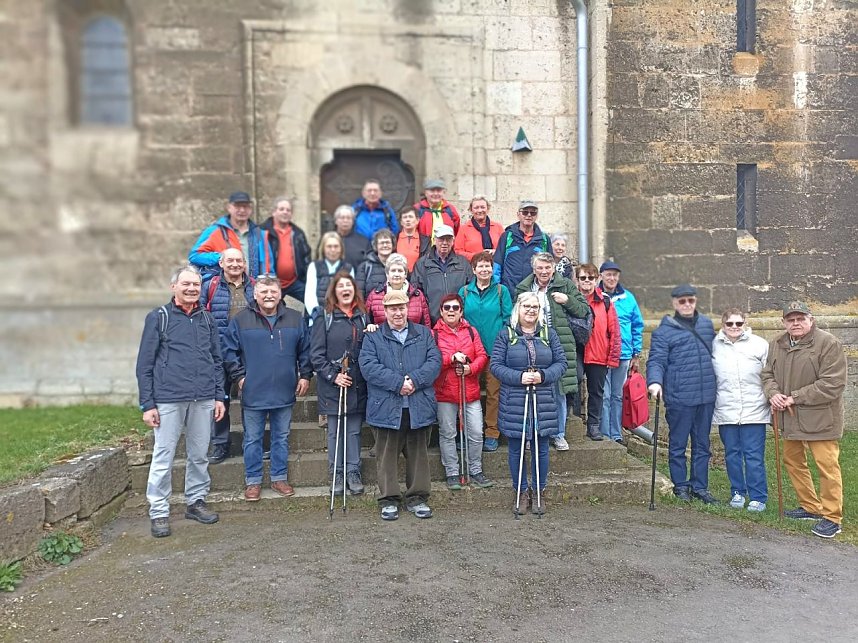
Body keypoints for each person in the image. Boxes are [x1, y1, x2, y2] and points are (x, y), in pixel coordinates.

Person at [135, 265, 224, 538]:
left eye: (196, 285)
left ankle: (195, 501)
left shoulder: (207, 319)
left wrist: (219, 395)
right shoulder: (159, 317)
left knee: (199, 455)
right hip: (169, 399)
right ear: (174, 287)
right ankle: (159, 511)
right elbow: (144, 365)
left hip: (203, 397)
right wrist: (148, 404)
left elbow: (217, 360)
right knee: (164, 457)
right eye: (185, 284)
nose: (191, 289)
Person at [761, 301, 848, 538]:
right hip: (790, 418)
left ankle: (832, 517)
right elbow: (767, 373)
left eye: (801, 318)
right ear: (784, 322)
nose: (796, 323)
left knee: (827, 467)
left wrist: (794, 397)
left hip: (820, 419)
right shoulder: (777, 344)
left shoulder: (828, 343)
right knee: (793, 461)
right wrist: (774, 394)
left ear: (811, 320)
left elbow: (833, 383)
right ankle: (810, 506)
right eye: (791, 319)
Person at [222, 275, 312, 501]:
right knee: (252, 439)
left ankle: (279, 478)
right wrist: (240, 377)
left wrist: (305, 375)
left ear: (280, 294)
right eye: (263, 292)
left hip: (285, 389)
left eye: (273, 291)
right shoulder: (241, 320)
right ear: (254, 294)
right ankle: (253, 482)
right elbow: (229, 352)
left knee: (281, 437)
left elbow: (305, 350)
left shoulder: (295, 318)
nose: (269, 296)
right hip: (254, 391)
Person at [359, 289, 441, 521]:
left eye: (402, 307)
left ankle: (418, 497)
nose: (398, 312)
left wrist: (414, 380)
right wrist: (398, 383)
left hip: (418, 404)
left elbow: (434, 361)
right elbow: (368, 366)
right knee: (386, 456)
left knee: (418, 455)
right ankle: (389, 499)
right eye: (393, 308)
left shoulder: (424, 334)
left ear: (408, 308)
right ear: (384, 311)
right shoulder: (373, 337)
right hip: (386, 405)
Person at [491, 292, 567, 515]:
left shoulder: (548, 334)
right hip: (515, 400)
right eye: (527, 306)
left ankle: (539, 491)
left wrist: (543, 375)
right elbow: (495, 365)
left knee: (541, 447)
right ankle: (521, 492)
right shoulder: (506, 334)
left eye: (535, 307)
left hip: (542, 399)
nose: (531, 310)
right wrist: (518, 377)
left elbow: (561, 363)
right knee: (516, 448)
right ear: (518, 309)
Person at [646, 284, 717, 504]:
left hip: (705, 395)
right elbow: (656, 360)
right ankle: (680, 485)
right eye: (682, 301)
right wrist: (655, 382)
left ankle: (700, 486)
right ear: (675, 303)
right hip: (680, 397)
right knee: (678, 445)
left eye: (691, 301)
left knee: (702, 444)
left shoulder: (706, 325)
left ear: (695, 301)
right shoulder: (663, 331)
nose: (687, 305)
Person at [515, 252, 589, 451]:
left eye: (548, 268)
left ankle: (558, 434)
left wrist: (567, 300)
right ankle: (533, 434)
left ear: (553, 268)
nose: (544, 271)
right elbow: (515, 316)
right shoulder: (524, 287)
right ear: (534, 269)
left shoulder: (565, 285)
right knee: (532, 392)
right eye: (540, 268)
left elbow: (584, 310)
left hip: (559, 345)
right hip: (531, 344)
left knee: (558, 391)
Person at [310, 272, 369, 496]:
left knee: (354, 431)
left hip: (356, 384)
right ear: (334, 291)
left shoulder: (362, 317)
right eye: (341, 286)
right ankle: (336, 472)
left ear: (354, 290)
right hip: (332, 385)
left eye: (349, 285)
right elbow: (316, 355)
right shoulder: (324, 317)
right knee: (335, 432)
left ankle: (353, 471)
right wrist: (333, 376)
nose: (345, 289)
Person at [198, 248, 255, 464]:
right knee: (219, 398)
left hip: (248, 353)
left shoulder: (255, 286)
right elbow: (201, 316)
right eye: (230, 260)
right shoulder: (210, 286)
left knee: (250, 399)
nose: (234, 264)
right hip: (220, 352)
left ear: (244, 263)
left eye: (238, 260)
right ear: (221, 263)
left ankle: (253, 441)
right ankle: (221, 444)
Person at [432, 293, 494, 490]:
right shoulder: (433, 334)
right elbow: (431, 361)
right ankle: (452, 471)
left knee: (476, 432)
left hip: (469, 390)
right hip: (445, 392)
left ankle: (475, 469)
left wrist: (470, 368)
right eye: (447, 308)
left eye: (455, 308)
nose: (451, 311)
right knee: (448, 433)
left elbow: (482, 356)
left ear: (461, 311)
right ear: (441, 311)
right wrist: (450, 359)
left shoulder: (471, 331)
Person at [713, 308, 770, 512]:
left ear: (745, 323)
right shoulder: (713, 346)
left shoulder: (760, 344)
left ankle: (758, 496)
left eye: (739, 323)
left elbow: (770, 374)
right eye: (730, 324)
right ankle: (737, 491)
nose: (734, 327)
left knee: (754, 455)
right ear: (723, 325)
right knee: (732, 454)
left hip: (754, 409)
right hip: (726, 409)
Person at [459, 250, 513, 452]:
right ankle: (467, 432)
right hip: (470, 352)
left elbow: (509, 318)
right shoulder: (464, 292)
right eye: (480, 266)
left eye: (487, 265)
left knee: (493, 393)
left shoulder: (501, 291)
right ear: (473, 269)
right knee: (466, 393)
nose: (484, 269)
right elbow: (460, 320)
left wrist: (502, 342)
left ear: (492, 269)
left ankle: (492, 432)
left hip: (494, 350)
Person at [598, 261, 644, 442]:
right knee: (604, 396)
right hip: (601, 354)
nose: (612, 278)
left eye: (615, 275)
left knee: (617, 396)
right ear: (601, 276)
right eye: (608, 274)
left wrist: (636, 354)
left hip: (623, 354)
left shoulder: (628, 298)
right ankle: (604, 433)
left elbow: (637, 326)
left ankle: (616, 434)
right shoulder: (596, 296)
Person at [574, 262, 621, 441]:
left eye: (591, 278)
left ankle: (593, 425)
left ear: (597, 279)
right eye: (583, 278)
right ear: (577, 280)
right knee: (574, 381)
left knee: (597, 391)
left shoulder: (605, 301)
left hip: (598, 351)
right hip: (577, 350)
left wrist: (613, 357)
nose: (587, 281)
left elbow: (614, 331)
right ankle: (575, 419)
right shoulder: (571, 299)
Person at [189, 191, 272, 278]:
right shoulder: (215, 231)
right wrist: (221, 257)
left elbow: (269, 266)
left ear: (250, 209)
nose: (242, 210)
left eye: (245, 206)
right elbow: (194, 256)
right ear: (229, 208)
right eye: (237, 206)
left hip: (252, 287)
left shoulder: (260, 234)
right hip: (223, 287)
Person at [412, 224, 473, 325]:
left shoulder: (463, 263)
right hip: (433, 321)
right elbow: (416, 293)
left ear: (453, 241)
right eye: (441, 239)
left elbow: (471, 290)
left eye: (448, 239)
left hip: (459, 320)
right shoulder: (422, 264)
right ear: (434, 240)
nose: (445, 243)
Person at [260, 196, 312, 301]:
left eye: (288, 210)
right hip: (272, 282)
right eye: (281, 209)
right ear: (274, 212)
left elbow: (306, 256)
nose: (285, 212)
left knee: (313, 299)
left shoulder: (297, 233)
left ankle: (309, 318)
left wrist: (307, 279)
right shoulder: (262, 232)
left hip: (294, 282)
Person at [493, 200, 550, 295]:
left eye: (533, 213)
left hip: (534, 293)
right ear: (518, 214)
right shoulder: (507, 237)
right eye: (525, 212)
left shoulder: (544, 239)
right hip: (509, 292)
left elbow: (550, 268)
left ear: (536, 216)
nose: (529, 215)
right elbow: (497, 265)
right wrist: (496, 290)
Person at [365, 253, 431, 326]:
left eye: (400, 271)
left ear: (405, 274)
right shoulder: (374, 295)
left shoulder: (418, 295)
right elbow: (366, 323)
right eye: (393, 271)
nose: (396, 274)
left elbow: (426, 325)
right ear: (387, 274)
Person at [304, 231, 354, 319]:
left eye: (336, 246)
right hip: (317, 318)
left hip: (342, 319)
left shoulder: (348, 268)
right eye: (329, 246)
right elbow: (310, 296)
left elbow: (351, 296)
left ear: (341, 248)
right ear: (323, 248)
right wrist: (317, 316)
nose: (333, 250)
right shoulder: (314, 267)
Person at [453, 196, 504, 262]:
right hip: (472, 268)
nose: (480, 210)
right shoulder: (464, 229)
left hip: (496, 268)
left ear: (487, 209)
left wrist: (496, 252)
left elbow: (506, 247)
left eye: (482, 207)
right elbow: (457, 251)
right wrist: (476, 256)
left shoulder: (498, 227)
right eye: (476, 208)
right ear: (471, 210)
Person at [414, 178, 461, 243]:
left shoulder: (450, 209)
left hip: (446, 250)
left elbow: (457, 232)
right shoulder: (418, 209)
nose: (436, 194)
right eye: (432, 191)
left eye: (439, 191)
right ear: (425, 193)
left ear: (443, 192)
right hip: (423, 250)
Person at [356, 228, 396, 298]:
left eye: (387, 242)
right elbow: (359, 294)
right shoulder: (365, 267)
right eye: (381, 243)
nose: (385, 245)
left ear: (393, 245)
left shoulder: (400, 264)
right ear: (375, 246)